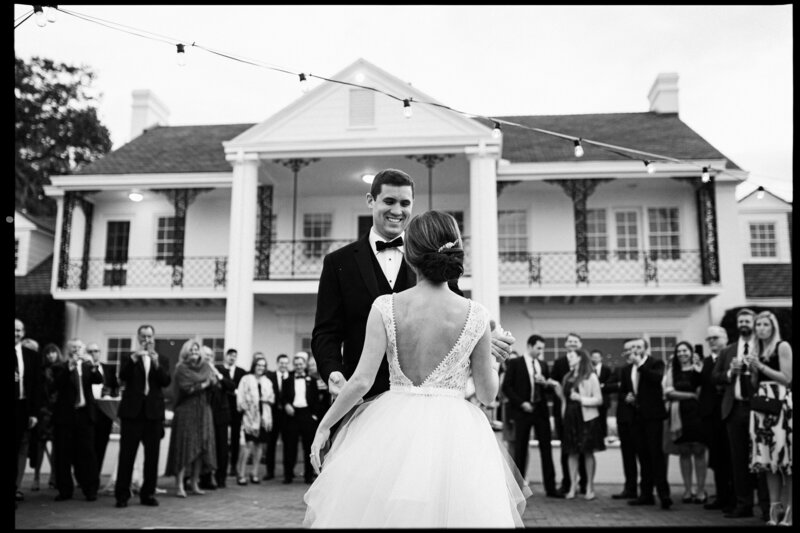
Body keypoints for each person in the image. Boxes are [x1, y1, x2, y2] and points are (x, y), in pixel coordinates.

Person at [304, 210, 530, 527]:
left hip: (389, 427)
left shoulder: (385, 306)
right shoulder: (476, 314)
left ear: (410, 256)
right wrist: (493, 357)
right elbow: (488, 394)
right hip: (457, 435)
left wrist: (325, 426)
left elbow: (360, 381)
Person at [311, 168, 515, 405]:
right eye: (389, 201)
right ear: (370, 200)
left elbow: (457, 319)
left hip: (421, 402)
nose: (397, 211)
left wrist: (486, 339)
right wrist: (333, 371)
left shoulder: (435, 256)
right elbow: (326, 332)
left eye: (405, 203)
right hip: (359, 397)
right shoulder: (338, 263)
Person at [712, 308, 770, 520]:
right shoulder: (729, 351)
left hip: (759, 409)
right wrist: (729, 373)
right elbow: (714, 377)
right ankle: (743, 504)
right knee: (738, 460)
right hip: (734, 409)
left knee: (762, 458)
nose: (744, 323)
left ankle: (766, 507)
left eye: (748, 320)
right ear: (737, 325)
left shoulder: (764, 347)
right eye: (741, 321)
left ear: (754, 323)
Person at [114, 324, 171, 508]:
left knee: (152, 457)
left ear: (154, 338)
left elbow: (165, 381)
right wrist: (133, 359)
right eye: (144, 336)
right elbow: (122, 377)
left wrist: (156, 364)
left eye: (150, 336)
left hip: (153, 414)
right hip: (132, 414)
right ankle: (122, 495)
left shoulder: (162, 358)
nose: (147, 340)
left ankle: (148, 494)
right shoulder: (128, 357)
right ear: (138, 338)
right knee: (127, 456)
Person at [501, 333, 562, 497]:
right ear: (529, 346)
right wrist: (522, 403)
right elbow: (507, 387)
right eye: (538, 348)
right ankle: (517, 489)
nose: (540, 351)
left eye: (542, 348)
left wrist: (545, 383)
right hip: (523, 412)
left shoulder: (542, 364)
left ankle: (551, 488)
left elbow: (548, 390)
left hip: (540, 412)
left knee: (546, 449)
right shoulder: (515, 363)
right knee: (520, 450)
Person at [746, 310, 792, 526]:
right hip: (761, 405)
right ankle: (774, 511)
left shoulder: (782, 346)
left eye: (765, 324)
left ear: (772, 327)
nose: (761, 328)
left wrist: (761, 366)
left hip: (781, 403)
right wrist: (753, 369)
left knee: (785, 459)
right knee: (767, 461)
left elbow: (787, 378)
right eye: (758, 325)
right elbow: (755, 383)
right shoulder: (756, 349)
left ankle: (790, 511)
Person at [51, 341, 104, 501]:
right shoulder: (60, 367)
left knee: (88, 453)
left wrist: (93, 364)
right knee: (63, 454)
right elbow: (57, 384)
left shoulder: (88, 366)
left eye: (79, 347)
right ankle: (65, 490)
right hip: (66, 417)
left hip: (84, 416)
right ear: (67, 350)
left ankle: (90, 489)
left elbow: (98, 379)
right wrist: (70, 367)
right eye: (73, 347)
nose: (76, 350)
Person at [164, 339, 217, 498]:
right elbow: (186, 389)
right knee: (184, 447)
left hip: (203, 410)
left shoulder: (206, 367)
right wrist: (205, 384)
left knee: (201, 448)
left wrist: (211, 383)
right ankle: (180, 484)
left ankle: (195, 482)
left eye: (196, 350)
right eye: (191, 351)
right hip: (186, 411)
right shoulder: (181, 369)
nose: (194, 353)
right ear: (186, 353)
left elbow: (213, 385)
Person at [549, 348, 605, 500]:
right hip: (570, 418)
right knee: (571, 452)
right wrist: (558, 390)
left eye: (572, 356)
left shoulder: (590, 376)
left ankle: (589, 487)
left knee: (587, 452)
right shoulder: (567, 376)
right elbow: (565, 399)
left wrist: (581, 398)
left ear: (580, 358)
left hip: (586, 418)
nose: (569, 358)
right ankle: (573, 487)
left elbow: (599, 399)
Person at [627, 338, 672, 510]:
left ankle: (664, 495)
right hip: (636, 418)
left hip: (653, 417)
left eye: (639, 347)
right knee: (643, 456)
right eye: (633, 347)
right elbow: (625, 390)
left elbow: (656, 379)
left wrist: (640, 365)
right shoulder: (626, 369)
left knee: (656, 455)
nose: (636, 349)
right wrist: (627, 397)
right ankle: (645, 495)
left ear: (646, 349)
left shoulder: (655, 363)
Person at [663, 341, 708, 504]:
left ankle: (701, 490)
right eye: (679, 351)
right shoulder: (672, 371)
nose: (682, 353)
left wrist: (698, 369)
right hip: (678, 414)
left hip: (698, 414)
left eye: (685, 350)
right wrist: (689, 395)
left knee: (699, 451)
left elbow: (703, 388)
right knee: (684, 452)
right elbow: (668, 392)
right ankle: (688, 490)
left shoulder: (699, 367)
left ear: (691, 352)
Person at [698, 326, 734, 513]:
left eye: (715, 337)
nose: (711, 341)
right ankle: (721, 496)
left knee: (731, 458)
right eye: (708, 338)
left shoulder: (731, 359)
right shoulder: (704, 362)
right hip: (710, 417)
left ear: (725, 338)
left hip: (728, 414)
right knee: (717, 459)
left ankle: (734, 498)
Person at [550, 333, 588, 495]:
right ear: (566, 344)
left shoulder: (587, 365)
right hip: (564, 412)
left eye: (575, 341)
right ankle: (567, 483)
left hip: (583, 413)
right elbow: (553, 385)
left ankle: (585, 484)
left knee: (584, 448)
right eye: (570, 341)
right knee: (567, 450)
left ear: (580, 344)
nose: (572, 344)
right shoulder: (559, 363)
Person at [280, 352, 320, 485]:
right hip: (292, 415)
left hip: (307, 416)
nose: (298, 366)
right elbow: (282, 397)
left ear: (305, 365)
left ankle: (308, 476)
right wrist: (286, 405)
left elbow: (316, 400)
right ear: (294, 366)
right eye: (296, 364)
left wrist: (313, 416)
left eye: (301, 364)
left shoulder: (312, 381)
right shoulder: (287, 381)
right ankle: (288, 475)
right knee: (290, 447)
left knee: (308, 447)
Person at [606, 340, 638, 500]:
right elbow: (607, 386)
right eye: (626, 350)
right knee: (628, 456)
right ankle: (630, 488)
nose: (629, 352)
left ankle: (647, 489)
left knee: (646, 456)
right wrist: (622, 389)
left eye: (632, 348)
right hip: (624, 418)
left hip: (642, 418)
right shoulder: (619, 370)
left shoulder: (646, 367)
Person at [15, 318, 42, 510]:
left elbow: (36, 387)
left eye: (19, 330)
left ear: (23, 333)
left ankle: (16, 487)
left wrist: (34, 413)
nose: (16, 333)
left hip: (24, 408)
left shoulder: (30, 355)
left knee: (21, 449)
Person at [199, 345, 235, 490]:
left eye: (210, 355)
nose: (208, 357)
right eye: (205, 355)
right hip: (204, 414)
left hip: (221, 415)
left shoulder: (221, 370)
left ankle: (221, 478)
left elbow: (231, 386)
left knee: (222, 448)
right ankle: (205, 478)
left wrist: (217, 373)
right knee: (206, 447)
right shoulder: (199, 372)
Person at [28, 343, 62, 493]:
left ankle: (53, 476)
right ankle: (36, 478)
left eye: (53, 352)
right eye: (48, 353)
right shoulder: (40, 370)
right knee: (40, 446)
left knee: (56, 447)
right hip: (43, 412)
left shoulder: (63, 369)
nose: (50, 355)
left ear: (57, 353)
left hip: (57, 411)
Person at [235, 353, 274, 485]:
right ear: (254, 365)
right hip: (250, 416)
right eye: (258, 365)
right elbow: (240, 397)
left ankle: (254, 472)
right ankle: (241, 473)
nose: (260, 367)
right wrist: (246, 409)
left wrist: (266, 399)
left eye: (263, 366)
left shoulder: (267, 381)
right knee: (248, 445)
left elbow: (272, 398)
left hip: (264, 416)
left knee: (259, 446)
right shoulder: (246, 379)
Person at [86, 342, 120, 488]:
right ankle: (86, 477)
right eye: (91, 351)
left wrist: (110, 394)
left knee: (100, 447)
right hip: (87, 413)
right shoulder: (83, 368)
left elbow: (115, 388)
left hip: (104, 413)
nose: (94, 353)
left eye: (96, 350)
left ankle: (95, 478)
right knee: (87, 447)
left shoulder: (108, 369)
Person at [219, 348, 246, 477]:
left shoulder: (241, 372)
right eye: (230, 355)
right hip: (222, 408)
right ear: (226, 356)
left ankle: (233, 466)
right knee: (222, 438)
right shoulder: (219, 370)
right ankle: (221, 465)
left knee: (235, 438)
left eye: (234, 356)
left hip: (236, 410)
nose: (232, 358)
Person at [265, 353, 290, 480]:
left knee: (288, 444)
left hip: (288, 417)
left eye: (286, 363)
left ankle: (288, 472)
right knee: (271, 444)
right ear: (277, 363)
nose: (284, 365)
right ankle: (270, 472)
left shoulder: (291, 376)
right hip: (273, 414)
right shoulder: (270, 376)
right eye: (281, 363)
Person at [590, 349, 613, 440]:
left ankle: (603, 437)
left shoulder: (606, 369)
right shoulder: (588, 369)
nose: (595, 359)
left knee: (602, 419)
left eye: (597, 357)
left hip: (603, 399)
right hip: (591, 400)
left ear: (601, 358)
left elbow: (610, 383)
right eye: (593, 357)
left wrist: (601, 386)